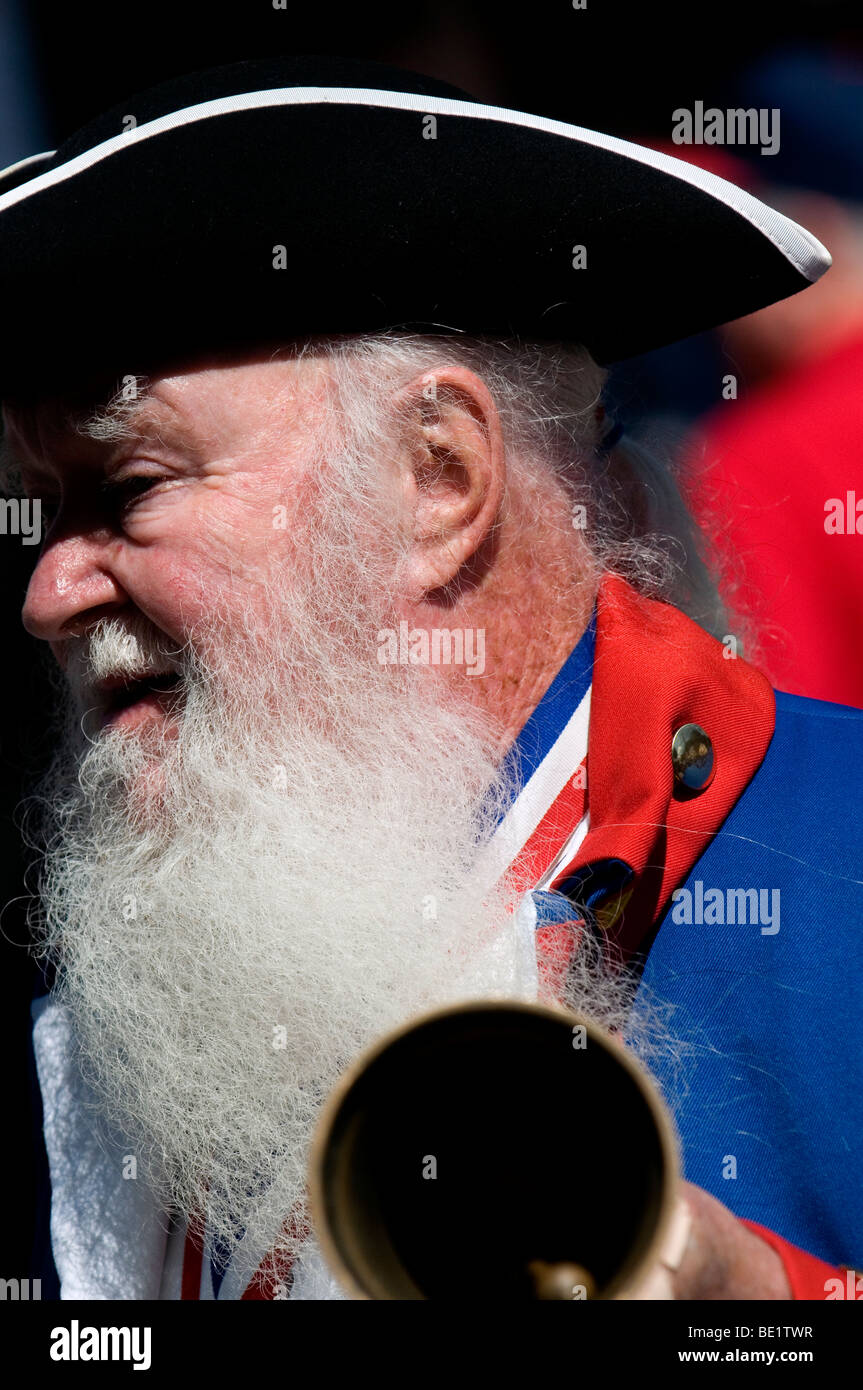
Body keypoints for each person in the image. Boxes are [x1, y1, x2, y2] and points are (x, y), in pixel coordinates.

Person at [1, 55, 860, 1301]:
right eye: (44, 513)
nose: (45, 596)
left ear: (436, 481)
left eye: (128, 490)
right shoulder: (139, 1013)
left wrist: (754, 1303)